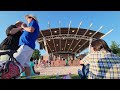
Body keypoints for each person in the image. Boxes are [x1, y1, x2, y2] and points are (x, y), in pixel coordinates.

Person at [13, 14, 40, 79]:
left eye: (28, 18)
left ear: (31, 18)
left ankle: (16, 77)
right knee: (26, 65)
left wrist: (24, 27)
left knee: (16, 61)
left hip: (26, 46)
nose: (27, 20)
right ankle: (28, 77)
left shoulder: (33, 22)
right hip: (29, 47)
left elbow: (31, 29)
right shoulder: (30, 25)